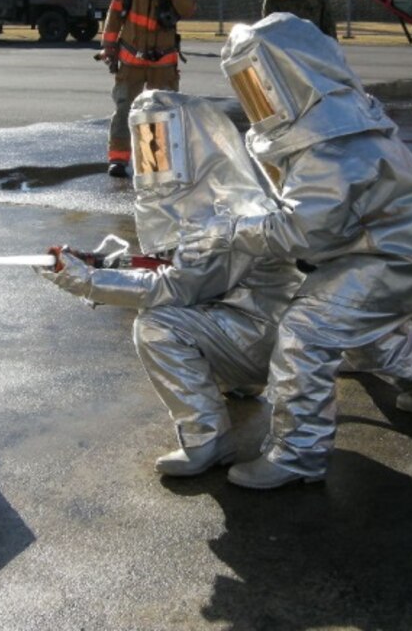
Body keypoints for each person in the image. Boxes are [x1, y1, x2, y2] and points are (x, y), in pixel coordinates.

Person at [181, 14, 412, 489]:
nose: (254, 96)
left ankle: (298, 454)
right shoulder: (324, 120)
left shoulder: (332, 138)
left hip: (390, 254)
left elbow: (304, 229)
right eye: (245, 85)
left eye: (259, 81)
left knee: (308, 327)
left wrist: (231, 231)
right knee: (363, 330)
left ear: (289, 75)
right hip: (382, 245)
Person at [40, 90, 302, 476]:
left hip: (266, 341)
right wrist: (105, 263)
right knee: (182, 312)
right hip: (263, 331)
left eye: (160, 140)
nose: (153, 154)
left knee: (156, 326)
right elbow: (174, 265)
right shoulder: (220, 193)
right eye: (146, 140)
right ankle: (237, 384)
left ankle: (207, 436)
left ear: (191, 143)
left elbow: (173, 286)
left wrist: (89, 280)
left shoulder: (221, 214)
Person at [100, 0, 197, 178]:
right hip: (130, 61)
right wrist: (108, 47)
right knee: (124, 108)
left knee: (159, 113)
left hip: (162, 64)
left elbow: (187, 10)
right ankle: (118, 160)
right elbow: (114, 15)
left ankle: (154, 161)